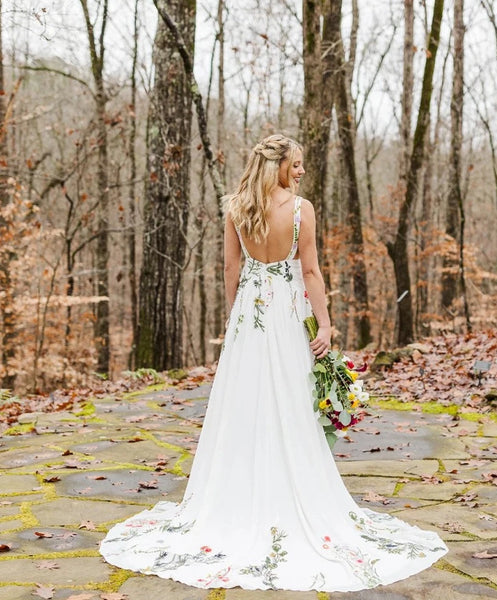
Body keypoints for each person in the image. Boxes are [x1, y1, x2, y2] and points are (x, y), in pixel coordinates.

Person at [99, 134, 448, 592]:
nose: (302, 171)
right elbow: (310, 272)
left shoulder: (237, 207)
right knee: (287, 400)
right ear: (278, 165)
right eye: (296, 164)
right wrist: (324, 325)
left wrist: (238, 314)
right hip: (287, 314)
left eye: (302, 164)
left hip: (250, 316)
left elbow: (230, 270)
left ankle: (236, 498)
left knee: (244, 404)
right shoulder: (301, 211)